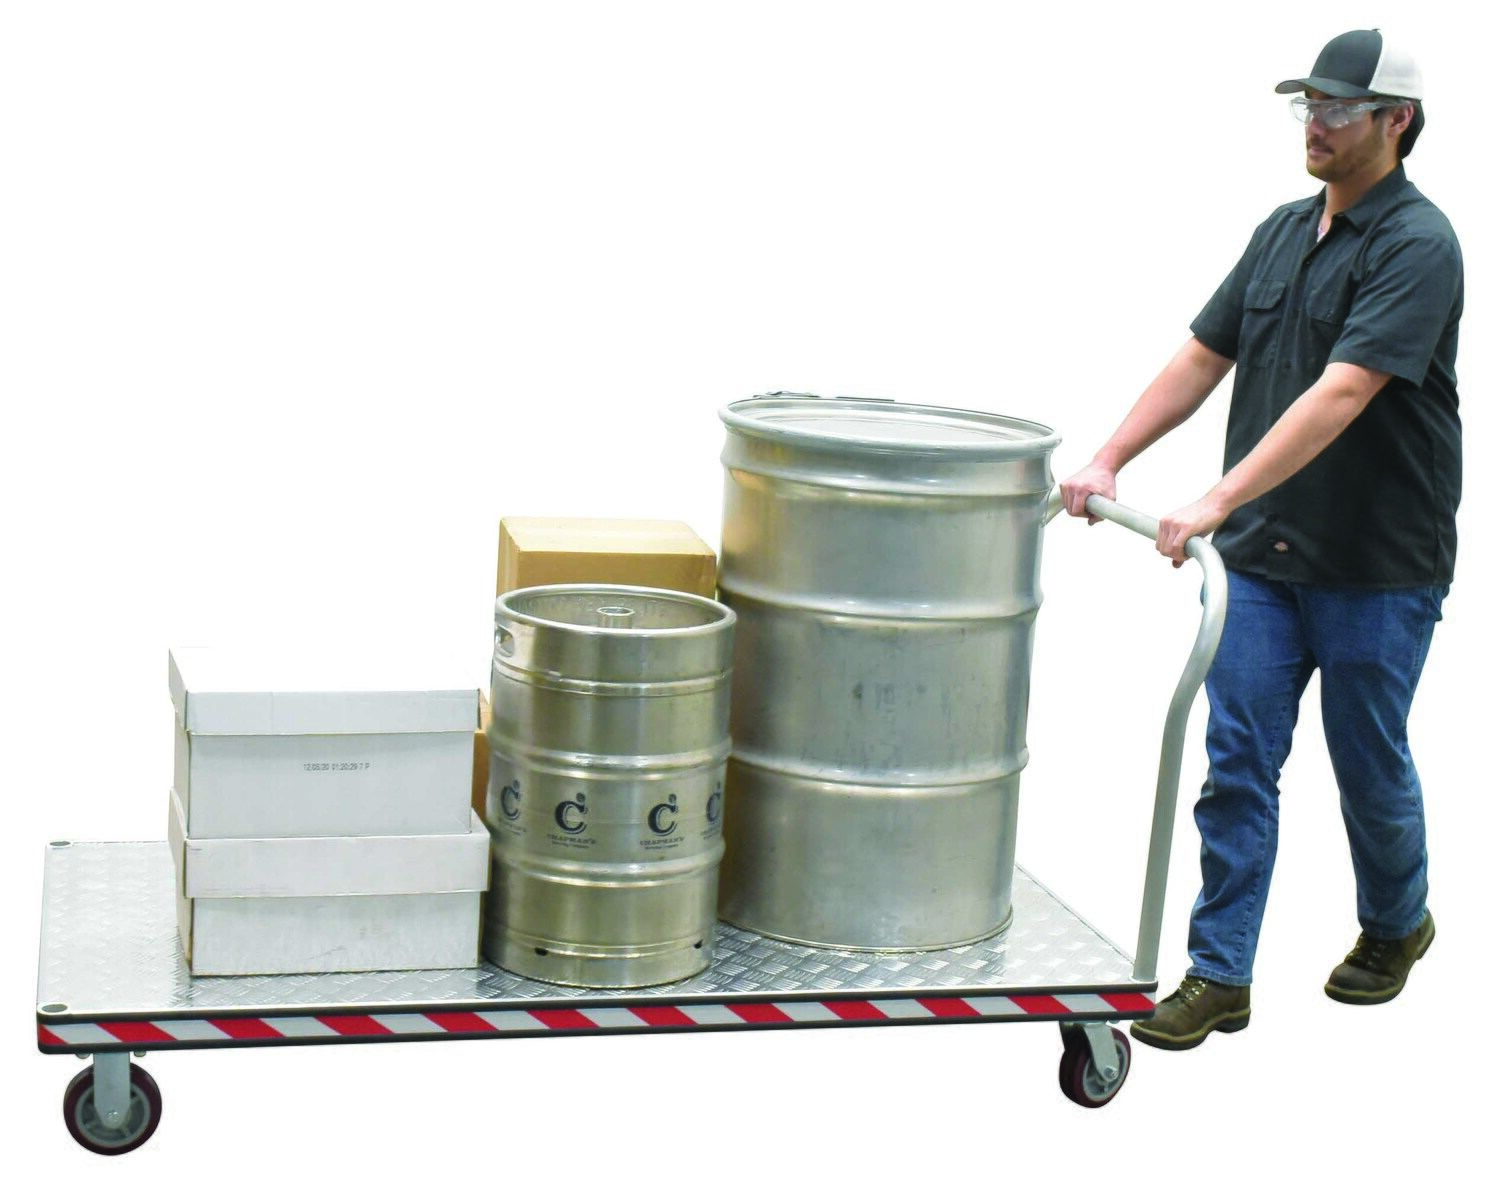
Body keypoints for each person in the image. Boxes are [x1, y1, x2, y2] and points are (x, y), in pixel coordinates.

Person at [1060, 28, 1462, 1051]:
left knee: (1366, 761)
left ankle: (1396, 921)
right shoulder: (1282, 231)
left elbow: (1345, 391)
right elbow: (1204, 355)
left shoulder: (1419, 245)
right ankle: (1220, 972)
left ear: (1396, 121)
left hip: (1376, 564)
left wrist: (1215, 498)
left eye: (1338, 108)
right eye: (1308, 105)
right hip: (1264, 563)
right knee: (1237, 759)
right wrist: (1110, 458)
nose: (1315, 124)